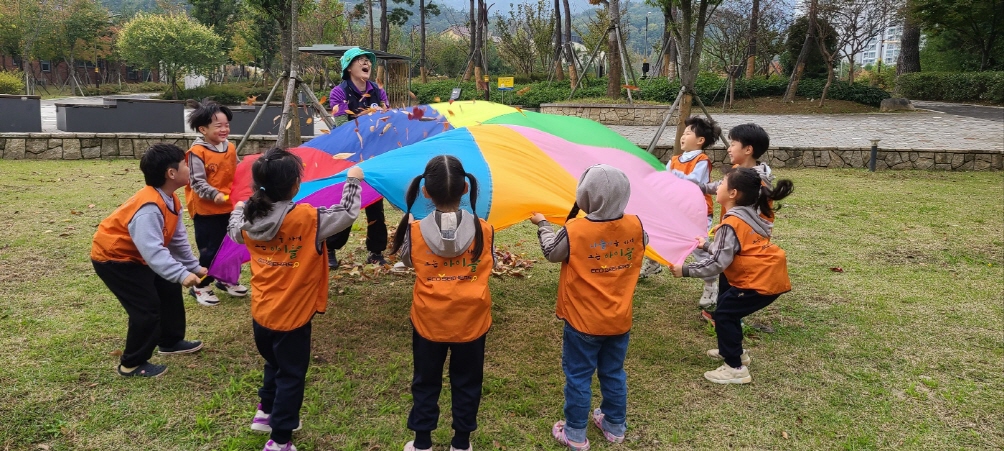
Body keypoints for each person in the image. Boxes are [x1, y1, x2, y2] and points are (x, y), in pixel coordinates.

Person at [227, 148, 363, 451]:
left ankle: (265, 411)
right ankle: (280, 438)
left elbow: (234, 230)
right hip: (294, 315)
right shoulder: (307, 218)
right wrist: (353, 181)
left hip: (262, 311)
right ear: (294, 186)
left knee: (273, 361)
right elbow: (346, 213)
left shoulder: (248, 218)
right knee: (291, 373)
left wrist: (237, 207)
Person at [530, 164, 647, 451]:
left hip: (583, 322)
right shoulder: (637, 225)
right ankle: (614, 425)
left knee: (579, 376)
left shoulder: (576, 230)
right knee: (613, 372)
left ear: (584, 196)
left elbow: (551, 252)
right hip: (619, 320)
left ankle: (575, 434)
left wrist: (544, 225)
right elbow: (641, 244)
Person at [389, 155, 495, 451]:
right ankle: (461, 443)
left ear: (424, 192)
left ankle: (422, 442)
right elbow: (492, 262)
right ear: (465, 189)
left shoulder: (414, 230)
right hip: (472, 322)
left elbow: (407, 260)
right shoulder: (484, 230)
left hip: (428, 321)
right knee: (467, 383)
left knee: (425, 381)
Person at [91, 143, 206, 378]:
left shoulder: (171, 199)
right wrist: (182, 274)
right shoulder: (149, 208)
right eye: (185, 165)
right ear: (171, 173)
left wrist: (193, 266)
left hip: (139, 257)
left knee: (168, 289)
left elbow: (177, 241)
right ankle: (131, 364)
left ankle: (170, 342)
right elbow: (153, 252)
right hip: (115, 259)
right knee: (146, 308)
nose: (189, 169)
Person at [670, 167, 794, 384]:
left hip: (759, 281)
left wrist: (686, 270)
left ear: (733, 193)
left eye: (722, 183)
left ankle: (735, 368)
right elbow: (732, 249)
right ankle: (735, 352)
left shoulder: (731, 222)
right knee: (728, 310)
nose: (717, 186)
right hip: (768, 275)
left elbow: (719, 262)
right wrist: (708, 245)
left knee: (725, 314)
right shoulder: (745, 215)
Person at [690, 123, 776, 320]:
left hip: (743, 237)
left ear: (748, 149)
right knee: (726, 270)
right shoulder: (738, 170)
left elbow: (755, 218)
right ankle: (722, 310)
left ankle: (727, 313)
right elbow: (718, 186)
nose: (728, 148)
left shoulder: (757, 182)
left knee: (733, 273)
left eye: (733, 143)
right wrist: (698, 187)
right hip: (731, 231)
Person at [640, 116, 722, 312]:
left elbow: (692, 182)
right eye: (683, 133)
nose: (683, 136)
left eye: (688, 133)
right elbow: (664, 180)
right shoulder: (675, 159)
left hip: (696, 215)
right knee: (657, 236)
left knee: (698, 249)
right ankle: (654, 263)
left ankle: (711, 285)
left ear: (700, 140)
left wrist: (670, 176)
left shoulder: (702, 160)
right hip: (673, 211)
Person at [326, 46, 391, 268]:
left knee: (375, 204)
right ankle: (329, 249)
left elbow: (387, 121)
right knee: (346, 202)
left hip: (374, 156)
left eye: (368, 60)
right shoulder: (339, 92)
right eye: (361, 60)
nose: (367, 64)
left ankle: (376, 251)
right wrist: (367, 124)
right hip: (348, 156)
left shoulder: (378, 91)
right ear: (349, 67)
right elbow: (342, 127)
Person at [184, 99, 248, 306]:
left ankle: (227, 279)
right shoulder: (197, 152)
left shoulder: (229, 147)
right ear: (203, 129)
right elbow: (196, 182)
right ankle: (200, 286)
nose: (224, 129)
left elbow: (237, 170)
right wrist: (215, 195)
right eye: (218, 126)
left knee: (231, 244)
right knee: (209, 250)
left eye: (226, 125)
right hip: (207, 211)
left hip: (230, 206)